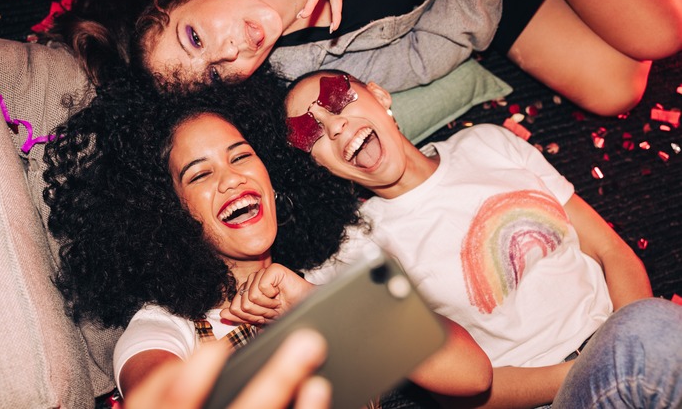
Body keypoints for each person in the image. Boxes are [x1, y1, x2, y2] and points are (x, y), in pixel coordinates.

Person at [224, 69, 682, 407]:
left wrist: (632, 335)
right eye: (313, 133)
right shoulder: (353, 250)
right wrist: (605, 360)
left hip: (638, 343)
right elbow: (468, 391)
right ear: (319, 166)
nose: (337, 125)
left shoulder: (488, 142)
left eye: (339, 100)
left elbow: (610, 249)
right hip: (556, 394)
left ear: (380, 96)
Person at [42, 71, 492, 405]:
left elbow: (472, 375)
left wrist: (315, 304)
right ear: (170, 213)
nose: (231, 179)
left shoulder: (325, 277)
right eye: (200, 174)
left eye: (241, 156)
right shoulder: (165, 326)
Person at [52, 0, 682, 116]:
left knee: (662, 30)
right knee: (616, 89)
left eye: (196, 36)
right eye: (215, 74)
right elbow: (424, 51)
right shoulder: (294, 66)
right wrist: (477, 4)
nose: (230, 51)